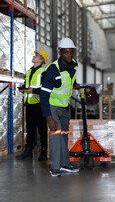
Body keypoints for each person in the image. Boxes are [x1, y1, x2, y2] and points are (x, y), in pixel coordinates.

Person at [40, 38, 80, 177]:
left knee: (64, 135)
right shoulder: (53, 70)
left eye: (71, 52)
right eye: (66, 52)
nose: (69, 55)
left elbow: (71, 77)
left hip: (65, 106)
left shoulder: (74, 64)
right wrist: (49, 117)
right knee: (56, 134)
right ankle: (55, 168)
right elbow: (43, 95)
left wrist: (75, 84)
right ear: (60, 53)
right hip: (52, 106)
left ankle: (65, 164)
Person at [16, 50, 48, 161]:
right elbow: (28, 85)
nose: (34, 56)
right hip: (29, 104)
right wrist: (23, 89)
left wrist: (33, 90)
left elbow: (45, 89)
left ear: (41, 60)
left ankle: (44, 151)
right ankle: (28, 151)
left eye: (37, 55)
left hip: (39, 105)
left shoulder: (43, 72)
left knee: (42, 128)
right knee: (29, 128)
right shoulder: (29, 71)